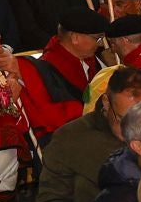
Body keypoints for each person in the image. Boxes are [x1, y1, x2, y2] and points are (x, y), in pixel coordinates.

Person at [16, 8, 105, 140]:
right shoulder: (47, 70)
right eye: (97, 39)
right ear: (75, 38)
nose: (101, 44)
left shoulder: (90, 58)